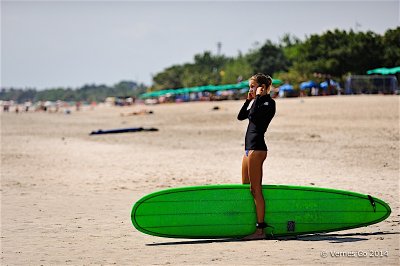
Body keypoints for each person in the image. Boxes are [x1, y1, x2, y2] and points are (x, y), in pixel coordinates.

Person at [237, 73, 276, 240]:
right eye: (250, 87)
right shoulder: (256, 102)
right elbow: (241, 116)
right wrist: (248, 100)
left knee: (256, 190)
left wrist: (258, 97)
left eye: (253, 86)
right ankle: (250, 222)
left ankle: (260, 230)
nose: (251, 89)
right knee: (246, 186)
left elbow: (253, 116)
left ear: (262, 87)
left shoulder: (269, 103)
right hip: (248, 150)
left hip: (257, 149)